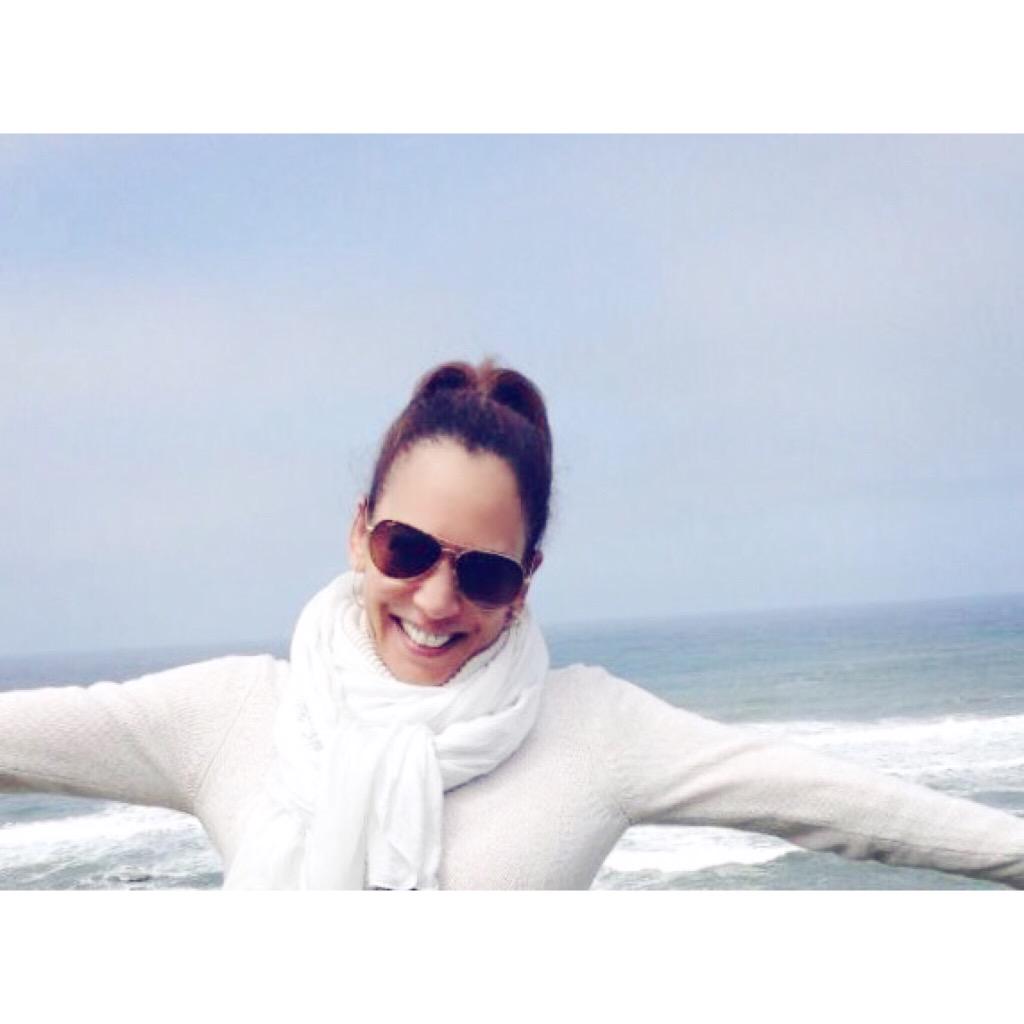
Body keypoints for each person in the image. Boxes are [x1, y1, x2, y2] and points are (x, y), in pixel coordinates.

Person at [2, 359, 1024, 889]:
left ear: (526, 581)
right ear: (360, 532)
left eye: (483, 570)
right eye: (407, 548)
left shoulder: (594, 729)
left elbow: (840, 804)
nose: (436, 600)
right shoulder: (232, 713)